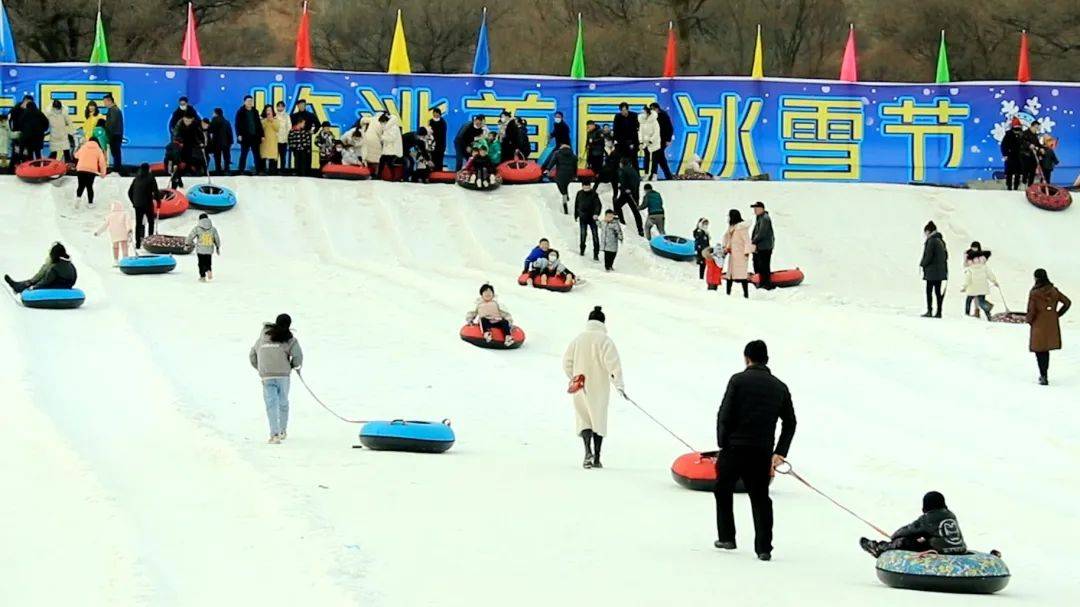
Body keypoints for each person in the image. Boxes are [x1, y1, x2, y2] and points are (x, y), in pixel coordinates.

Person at [714, 340, 796, 562]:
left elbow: (725, 414)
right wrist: (779, 452)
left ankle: (727, 537)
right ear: (766, 359)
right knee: (761, 498)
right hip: (761, 452)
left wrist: (722, 444)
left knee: (723, 489)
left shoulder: (738, 381)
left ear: (746, 358)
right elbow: (790, 422)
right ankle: (764, 548)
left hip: (734, 448)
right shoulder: (779, 386)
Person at [562, 306, 624, 469]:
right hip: (599, 387)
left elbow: (566, 362)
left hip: (580, 385)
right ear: (603, 322)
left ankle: (587, 452)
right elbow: (613, 365)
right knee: (598, 419)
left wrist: (573, 376)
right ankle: (596, 458)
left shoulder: (578, 339)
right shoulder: (605, 340)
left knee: (584, 419)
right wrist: (619, 386)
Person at [860, 492, 967, 558]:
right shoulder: (950, 515)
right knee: (924, 538)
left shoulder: (928, 518)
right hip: (959, 549)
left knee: (904, 542)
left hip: (940, 551)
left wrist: (894, 537)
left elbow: (909, 530)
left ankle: (879, 548)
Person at [249, 314, 303, 444]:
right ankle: (283, 430)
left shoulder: (262, 339)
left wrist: (261, 369)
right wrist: (293, 366)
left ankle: (274, 434)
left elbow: (252, 355)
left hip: (267, 375)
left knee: (271, 404)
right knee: (283, 402)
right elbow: (298, 356)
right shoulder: (289, 339)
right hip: (283, 375)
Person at [1027, 269, 1070, 385]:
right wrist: (1057, 315)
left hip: (1038, 324)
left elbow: (1031, 311)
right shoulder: (1054, 290)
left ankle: (1043, 375)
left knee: (1039, 350)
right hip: (1051, 323)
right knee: (1045, 349)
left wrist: (1028, 320)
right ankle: (1044, 374)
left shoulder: (1034, 293)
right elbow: (1067, 302)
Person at [4, 242, 78, 293]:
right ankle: (19, 285)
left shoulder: (55, 267)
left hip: (59, 285)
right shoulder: (69, 264)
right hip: (67, 283)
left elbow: (45, 281)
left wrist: (34, 287)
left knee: (44, 274)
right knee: (45, 271)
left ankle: (19, 287)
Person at [128, 163, 163, 249]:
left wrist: (134, 202)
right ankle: (150, 241)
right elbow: (155, 190)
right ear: (148, 169)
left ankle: (138, 244)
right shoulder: (150, 177)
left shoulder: (136, 178)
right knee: (151, 222)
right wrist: (158, 201)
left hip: (137, 205)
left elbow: (129, 192)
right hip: (147, 203)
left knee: (138, 224)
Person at [920, 221, 948, 318]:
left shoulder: (931, 241)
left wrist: (922, 264)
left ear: (929, 231)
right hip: (940, 272)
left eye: (925, 232)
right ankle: (939, 312)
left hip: (931, 272)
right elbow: (946, 256)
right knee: (938, 292)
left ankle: (929, 310)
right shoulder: (941, 241)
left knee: (929, 291)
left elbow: (928, 256)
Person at [961, 242, 997, 320]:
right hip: (982, 286)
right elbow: (989, 273)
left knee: (968, 300)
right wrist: (994, 281)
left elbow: (968, 278)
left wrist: (964, 286)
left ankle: (966, 314)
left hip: (973, 287)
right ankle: (988, 315)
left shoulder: (970, 268)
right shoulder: (983, 265)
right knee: (981, 301)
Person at [171, 110, 206, 188]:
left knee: (189, 162)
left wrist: (200, 142)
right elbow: (175, 136)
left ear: (192, 119)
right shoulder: (179, 124)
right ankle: (175, 182)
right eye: (186, 120)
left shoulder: (195, 124)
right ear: (183, 118)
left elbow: (198, 135)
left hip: (190, 146)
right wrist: (178, 143)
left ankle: (183, 175)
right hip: (180, 146)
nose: (187, 122)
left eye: (189, 121)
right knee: (177, 164)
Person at [723, 210, 752, 298]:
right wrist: (726, 247)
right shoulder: (731, 227)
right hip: (733, 254)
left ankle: (746, 294)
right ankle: (728, 293)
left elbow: (747, 241)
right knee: (730, 275)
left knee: (742, 275)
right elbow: (727, 238)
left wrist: (747, 252)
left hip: (740, 255)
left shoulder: (741, 228)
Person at [544, 143, 578, 214]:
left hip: (560, 175)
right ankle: (566, 196)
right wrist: (575, 175)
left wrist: (548, 169)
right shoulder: (573, 156)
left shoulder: (557, 153)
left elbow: (552, 162)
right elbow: (575, 167)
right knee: (565, 186)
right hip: (569, 175)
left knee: (562, 190)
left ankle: (565, 204)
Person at [73, 137, 107, 207]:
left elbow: (76, 156)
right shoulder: (98, 150)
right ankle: (90, 203)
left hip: (81, 169)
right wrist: (103, 174)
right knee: (89, 186)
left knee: (80, 185)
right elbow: (102, 163)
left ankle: (78, 200)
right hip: (91, 171)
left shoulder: (83, 147)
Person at [188, 213, 222, 282]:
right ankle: (209, 270)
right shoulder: (213, 229)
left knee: (201, 263)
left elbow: (191, 236)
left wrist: (187, 243)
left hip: (200, 249)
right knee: (208, 262)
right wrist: (218, 247)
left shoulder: (197, 228)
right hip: (209, 249)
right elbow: (217, 239)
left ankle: (202, 277)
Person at [616, 157, 645, 236]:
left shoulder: (623, 170)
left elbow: (623, 181)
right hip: (635, 194)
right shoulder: (634, 170)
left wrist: (622, 188)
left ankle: (622, 221)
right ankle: (640, 230)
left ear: (622, 163)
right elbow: (637, 182)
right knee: (636, 212)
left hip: (627, 193)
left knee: (617, 205)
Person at [234, 95, 263, 174]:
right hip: (245, 137)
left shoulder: (255, 111)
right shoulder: (240, 111)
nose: (250, 102)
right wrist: (239, 134)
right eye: (248, 101)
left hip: (255, 136)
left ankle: (258, 170)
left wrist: (262, 135)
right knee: (244, 154)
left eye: (251, 101)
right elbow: (237, 124)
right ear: (244, 102)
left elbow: (259, 124)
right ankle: (241, 170)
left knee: (257, 155)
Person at [750, 202, 775, 290]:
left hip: (765, 247)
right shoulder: (759, 218)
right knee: (758, 264)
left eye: (756, 208)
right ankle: (760, 282)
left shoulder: (765, 218)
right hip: (759, 247)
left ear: (762, 208)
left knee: (764, 266)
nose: (755, 210)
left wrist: (753, 241)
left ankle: (766, 284)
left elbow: (762, 233)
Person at [575, 182, 602, 260]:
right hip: (583, 217)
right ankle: (582, 250)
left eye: (588, 187)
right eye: (585, 187)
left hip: (592, 218)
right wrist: (576, 215)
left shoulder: (594, 194)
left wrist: (596, 213)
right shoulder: (579, 193)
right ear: (582, 186)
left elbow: (598, 205)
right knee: (583, 235)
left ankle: (596, 254)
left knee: (595, 236)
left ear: (590, 186)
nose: (586, 188)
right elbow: (577, 204)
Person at [649, 102, 675, 180]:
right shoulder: (652, 117)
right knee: (661, 159)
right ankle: (669, 176)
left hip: (663, 140)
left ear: (657, 109)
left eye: (653, 109)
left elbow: (670, 128)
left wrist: (668, 139)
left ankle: (653, 174)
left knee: (655, 155)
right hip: (655, 140)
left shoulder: (664, 115)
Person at [1000, 117, 1026, 191]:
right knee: (1009, 172)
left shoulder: (1022, 134)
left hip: (1019, 156)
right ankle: (1009, 187)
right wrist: (1005, 155)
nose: (1017, 128)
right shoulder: (1008, 134)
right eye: (1016, 126)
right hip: (1010, 155)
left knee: (1018, 172)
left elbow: (1025, 144)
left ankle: (1016, 187)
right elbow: (1003, 145)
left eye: (1019, 126)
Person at [101, 94, 124, 171]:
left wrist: (106, 129)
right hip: (116, 134)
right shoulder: (115, 109)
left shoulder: (114, 110)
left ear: (109, 101)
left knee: (116, 153)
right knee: (116, 153)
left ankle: (117, 169)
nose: (104, 104)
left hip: (114, 134)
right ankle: (117, 168)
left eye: (105, 102)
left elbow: (112, 122)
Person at [208, 108, 234, 175]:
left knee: (217, 158)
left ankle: (218, 171)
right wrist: (231, 142)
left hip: (217, 143)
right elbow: (230, 132)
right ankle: (227, 170)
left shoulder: (214, 120)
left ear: (215, 113)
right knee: (226, 157)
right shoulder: (226, 121)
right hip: (226, 142)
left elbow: (210, 130)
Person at [378, 113, 404, 179]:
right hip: (389, 149)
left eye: (381, 123)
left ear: (385, 121)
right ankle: (379, 175)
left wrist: (382, 137)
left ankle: (393, 176)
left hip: (393, 150)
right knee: (383, 160)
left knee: (388, 162)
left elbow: (392, 138)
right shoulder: (388, 127)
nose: (381, 125)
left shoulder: (393, 127)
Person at [638, 105, 660, 180]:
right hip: (645, 143)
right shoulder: (642, 121)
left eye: (644, 112)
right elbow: (640, 132)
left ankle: (654, 174)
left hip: (654, 143)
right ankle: (646, 173)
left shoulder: (654, 121)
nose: (643, 114)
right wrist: (641, 142)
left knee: (654, 159)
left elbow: (656, 133)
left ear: (648, 113)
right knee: (646, 158)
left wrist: (651, 140)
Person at [1021, 121, 1043, 187]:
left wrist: (1042, 148)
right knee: (1025, 172)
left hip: (1033, 157)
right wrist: (1029, 145)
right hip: (1025, 156)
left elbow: (1038, 144)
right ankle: (1023, 184)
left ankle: (1030, 187)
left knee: (1032, 173)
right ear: (1032, 126)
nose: (1036, 129)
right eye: (1036, 128)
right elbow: (1022, 142)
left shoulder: (1035, 135)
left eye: (1038, 128)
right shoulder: (1024, 133)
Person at [274, 101, 291, 171]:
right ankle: (274, 170)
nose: (280, 108)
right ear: (276, 107)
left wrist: (287, 137)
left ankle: (282, 170)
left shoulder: (287, 116)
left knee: (283, 157)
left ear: (284, 107)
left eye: (282, 106)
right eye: (279, 106)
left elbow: (289, 127)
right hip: (275, 140)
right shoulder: (274, 115)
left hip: (284, 140)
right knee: (275, 156)